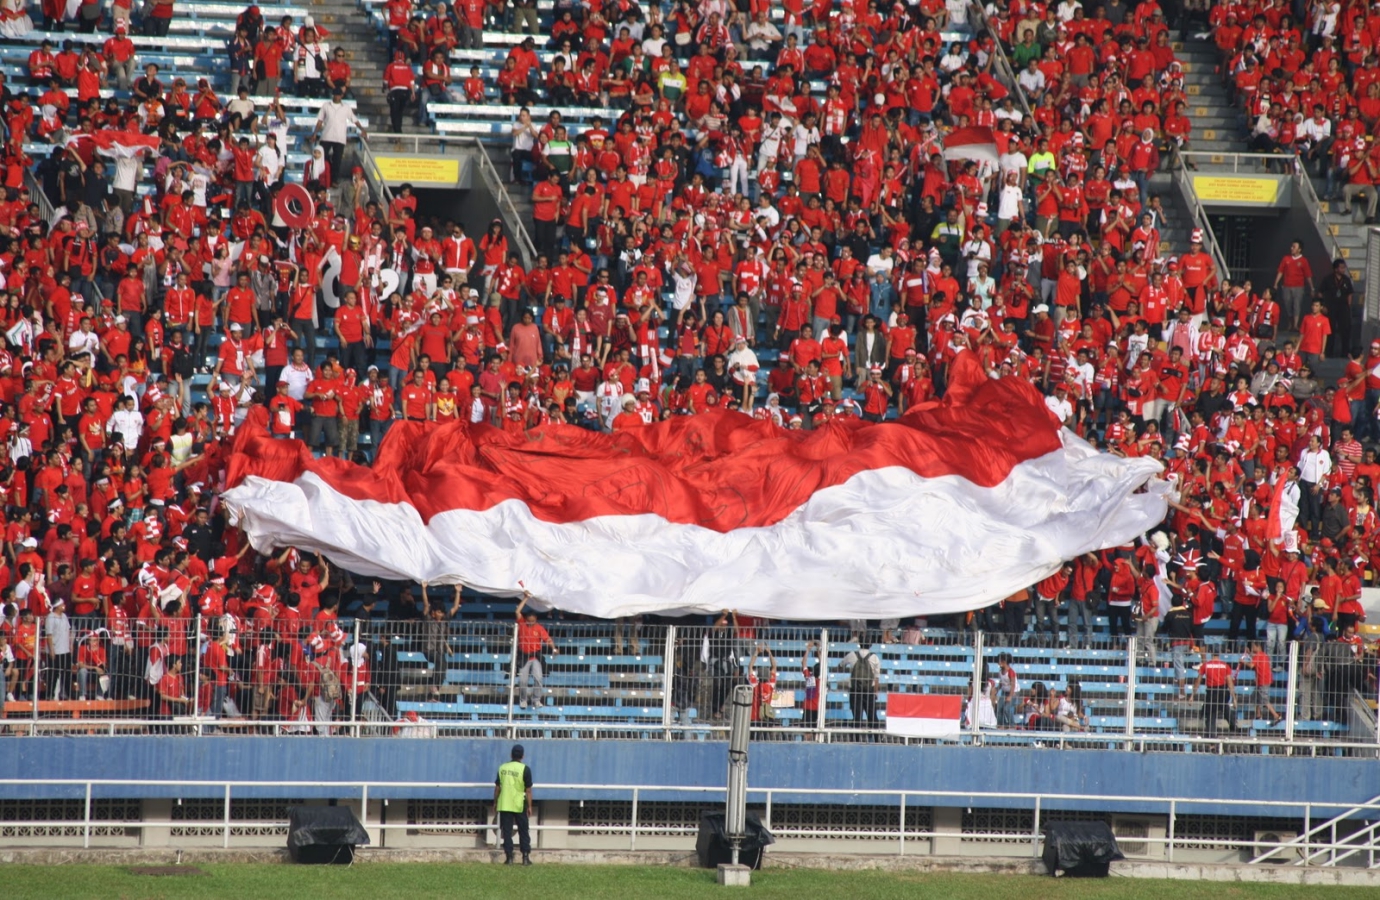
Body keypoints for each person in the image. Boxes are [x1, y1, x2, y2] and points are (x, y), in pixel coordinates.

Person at [513, 593, 557, 709]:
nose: (530, 623)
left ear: (535, 620)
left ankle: (536, 700)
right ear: (526, 619)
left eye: (532, 621)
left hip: (535, 657)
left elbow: (547, 639)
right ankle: (523, 700)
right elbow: (518, 611)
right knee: (523, 681)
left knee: (538, 679)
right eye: (529, 621)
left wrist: (554, 648)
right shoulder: (522, 624)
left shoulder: (539, 628)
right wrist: (526, 598)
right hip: (524, 656)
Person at [492, 743, 534, 866]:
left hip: (504, 803)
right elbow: (528, 790)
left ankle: (509, 857)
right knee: (523, 831)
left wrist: (495, 802)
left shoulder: (502, 768)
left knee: (507, 831)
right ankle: (525, 857)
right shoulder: (525, 769)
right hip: (519, 804)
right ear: (522, 756)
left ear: (511, 755)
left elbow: (497, 788)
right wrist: (530, 806)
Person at [1192, 648, 1235, 738]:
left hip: (1211, 692)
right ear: (1219, 655)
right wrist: (1234, 698)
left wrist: (1192, 695)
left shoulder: (1206, 665)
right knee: (1224, 706)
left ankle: (1212, 735)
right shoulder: (1225, 665)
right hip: (1223, 691)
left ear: (1211, 654)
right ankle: (1233, 724)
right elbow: (1229, 682)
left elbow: (1198, 680)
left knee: (1211, 714)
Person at [840, 642, 880, 729]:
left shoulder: (852, 654)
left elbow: (841, 665)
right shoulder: (875, 657)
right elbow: (876, 677)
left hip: (855, 689)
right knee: (872, 715)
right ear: (870, 645)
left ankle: (856, 738)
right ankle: (876, 737)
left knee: (857, 715)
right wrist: (876, 692)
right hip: (869, 690)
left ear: (859, 644)